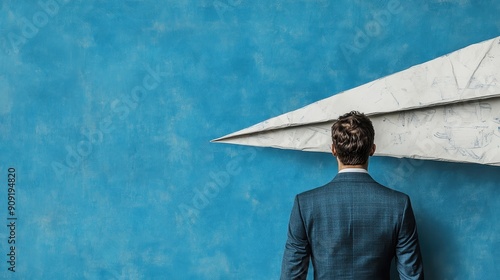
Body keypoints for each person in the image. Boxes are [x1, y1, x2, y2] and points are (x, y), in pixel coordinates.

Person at [280, 111, 424, 279]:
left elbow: (291, 276)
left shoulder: (305, 204)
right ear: (372, 149)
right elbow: (412, 277)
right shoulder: (399, 204)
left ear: (333, 150)